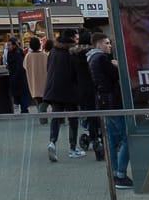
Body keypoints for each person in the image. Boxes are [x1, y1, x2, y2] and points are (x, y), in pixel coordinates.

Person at [87, 34, 131, 187]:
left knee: (112, 140)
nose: (110, 46)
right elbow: (116, 76)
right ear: (98, 44)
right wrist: (118, 66)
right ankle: (121, 174)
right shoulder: (102, 59)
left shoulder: (92, 59)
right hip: (113, 103)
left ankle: (114, 173)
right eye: (107, 43)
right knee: (127, 138)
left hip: (103, 103)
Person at [43, 36, 78, 161]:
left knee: (56, 117)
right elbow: (75, 73)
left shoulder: (52, 52)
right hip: (69, 91)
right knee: (73, 119)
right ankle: (73, 148)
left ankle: (52, 142)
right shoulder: (71, 54)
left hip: (54, 90)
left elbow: (48, 69)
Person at [5, 34, 29, 114]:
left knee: (22, 94)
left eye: (9, 45)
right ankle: (22, 108)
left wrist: (15, 76)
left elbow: (19, 67)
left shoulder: (18, 53)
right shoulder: (10, 53)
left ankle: (24, 110)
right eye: (7, 45)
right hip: (14, 77)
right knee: (19, 94)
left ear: (14, 45)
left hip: (19, 78)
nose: (8, 47)